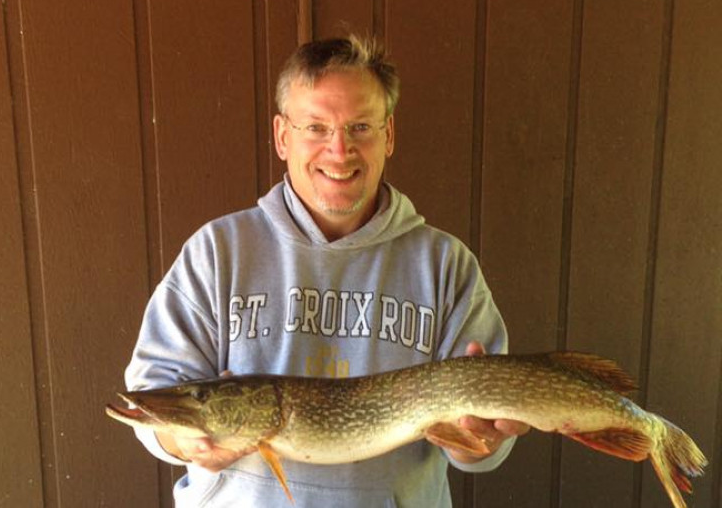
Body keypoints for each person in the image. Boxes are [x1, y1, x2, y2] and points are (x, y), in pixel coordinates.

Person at [124, 34, 530, 507]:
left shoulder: (446, 266)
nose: (339, 150)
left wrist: (484, 438)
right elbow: (155, 397)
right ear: (282, 136)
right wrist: (184, 441)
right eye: (316, 127)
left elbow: (479, 452)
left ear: (389, 136)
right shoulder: (217, 253)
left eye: (360, 127)